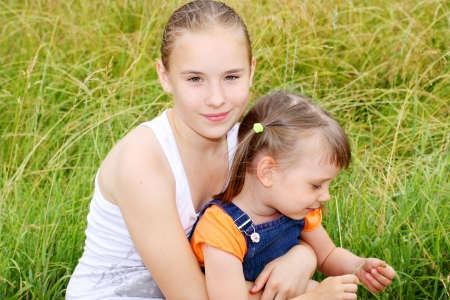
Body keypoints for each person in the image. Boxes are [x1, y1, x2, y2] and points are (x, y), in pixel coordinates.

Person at [66, 1, 319, 299]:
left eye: (231, 77)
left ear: (251, 70)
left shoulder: (246, 143)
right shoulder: (143, 163)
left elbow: (281, 226)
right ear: (164, 76)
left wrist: (302, 259)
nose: (216, 98)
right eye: (195, 79)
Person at [189, 91, 396, 300]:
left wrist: (358, 266)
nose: (326, 196)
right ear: (268, 172)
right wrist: (315, 297)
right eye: (316, 185)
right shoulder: (221, 230)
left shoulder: (298, 210)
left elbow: (328, 255)